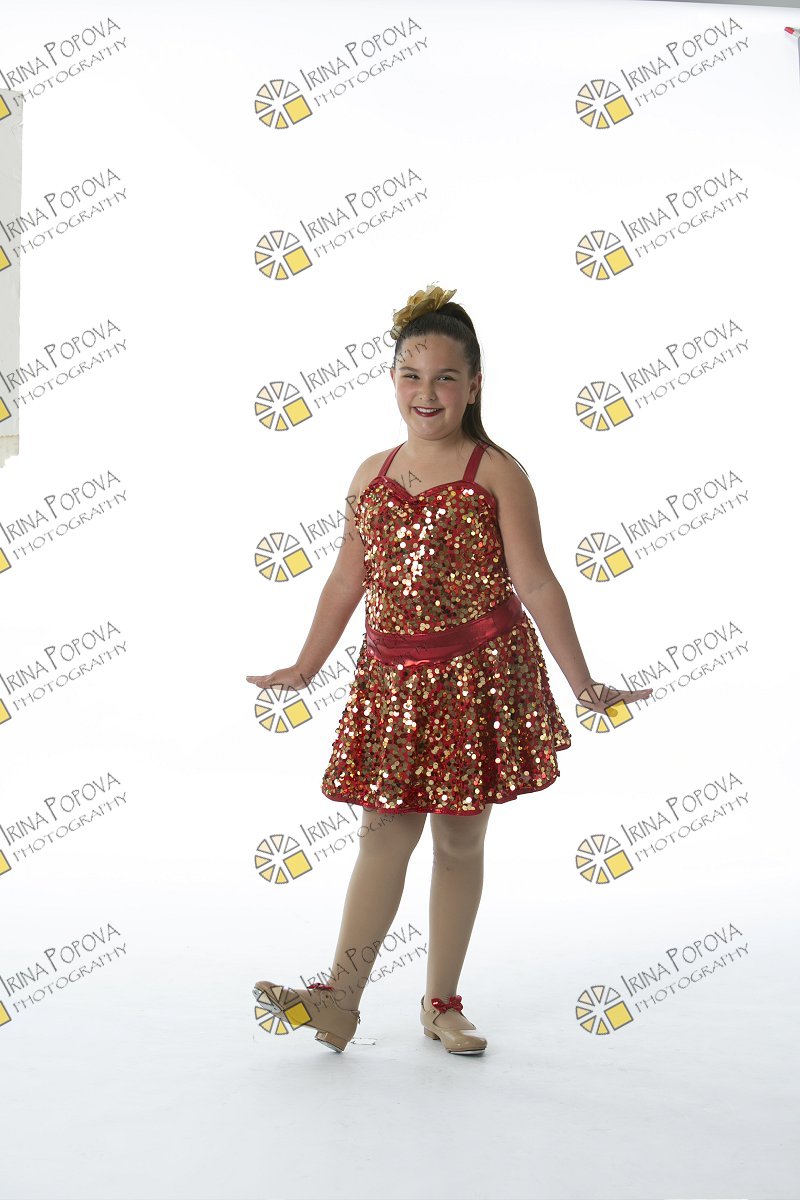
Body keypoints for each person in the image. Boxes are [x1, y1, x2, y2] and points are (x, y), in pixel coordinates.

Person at [246, 282, 653, 1056]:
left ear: (474, 386)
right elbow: (346, 580)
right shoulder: (370, 474)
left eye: (444, 378)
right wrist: (303, 666)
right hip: (394, 685)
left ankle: (442, 1003)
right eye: (411, 375)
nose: (425, 393)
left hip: (477, 679)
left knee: (459, 843)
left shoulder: (495, 471)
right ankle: (339, 999)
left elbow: (537, 583)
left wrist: (584, 684)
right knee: (381, 835)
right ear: (392, 380)